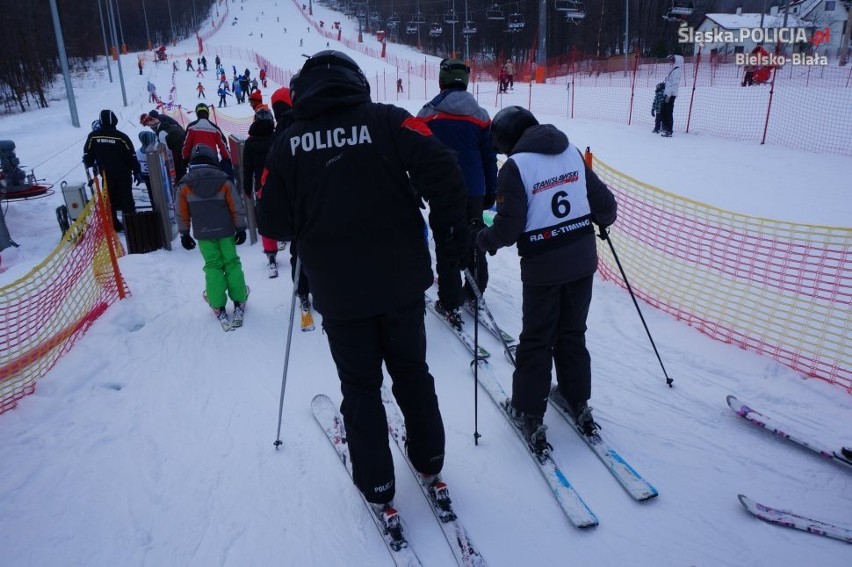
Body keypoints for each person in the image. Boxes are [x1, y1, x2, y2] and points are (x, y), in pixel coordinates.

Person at [257, 51, 468, 529]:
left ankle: (376, 484)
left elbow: (270, 219)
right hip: (401, 284)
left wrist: (309, 211)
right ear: (356, 81)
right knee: (412, 372)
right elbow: (444, 168)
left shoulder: (287, 143)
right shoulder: (389, 121)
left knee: (361, 388)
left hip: (341, 294)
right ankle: (430, 460)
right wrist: (453, 237)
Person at [474, 106, 617, 454]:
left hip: (543, 266)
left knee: (537, 339)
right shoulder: (570, 152)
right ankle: (575, 398)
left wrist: (482, 239)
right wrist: (598, 218)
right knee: (572, 332)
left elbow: (508, 227)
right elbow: (606, 205)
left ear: (508, 140)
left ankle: (527, 410)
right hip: (581, 260)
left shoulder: (516, 166)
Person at [417, 58, 497, 330]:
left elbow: (417, 153)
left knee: (448, 242)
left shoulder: (427, 114)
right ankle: (475, 292)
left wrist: (418, 186)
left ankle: (450, 301)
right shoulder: (482, 116)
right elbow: (489, 158)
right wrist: (491, 190)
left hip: (443, 190)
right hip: (474, 190)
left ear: (442, 81)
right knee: (475, 239)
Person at [176, 144, 249, 323]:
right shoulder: (224, 181)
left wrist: (184, 233)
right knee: (231, 262)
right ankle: (239, 298)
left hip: (204, 233)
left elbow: (181, 211)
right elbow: (236, 206)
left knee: (213, 265)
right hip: (225, 231)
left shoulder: (185, 185)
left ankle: (217, 302)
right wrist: (240, 228)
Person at [269, 86, 312, 302]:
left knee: (299, 249)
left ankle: (302, 290)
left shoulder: (278, 132)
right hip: (313, 194)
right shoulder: (304, 122)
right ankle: (318, 287)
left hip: (292, 200)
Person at [83, 109, 142, 232]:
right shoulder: (122, 137)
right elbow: (131, 155)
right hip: (123, 173)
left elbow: (87, 152)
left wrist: (89, 161)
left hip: (106, 173)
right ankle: (131, 225)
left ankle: (114, 225)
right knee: (127, 199)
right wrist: (136, 170)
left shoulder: (93, 136)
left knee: (110, 200)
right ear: (115, 120)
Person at [242, 106, 279, 278]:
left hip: (261, 186)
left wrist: (247, 188)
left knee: (265, 219)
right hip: (280, 182)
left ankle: (271, 254)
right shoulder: (276, 136)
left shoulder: (250, 142)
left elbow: (247, 168)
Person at [142, 110, 188, 182]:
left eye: (148, 126)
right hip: (182, 141)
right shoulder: (163, 122)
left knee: (178, 166)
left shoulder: (161, 129)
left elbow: (166, 150)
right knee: (181, 166)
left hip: (178, 146)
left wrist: (167, 163)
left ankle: (180, 183)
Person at [182, 103, 231, 167]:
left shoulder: (191, 127)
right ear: (207, 113)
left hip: (195, 160)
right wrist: (227, 158)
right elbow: (223, 145)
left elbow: (186, 145)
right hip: (212, 161)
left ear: (197, 113)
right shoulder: (215, 128)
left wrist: (185, 159)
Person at [660, 54, 682, 137]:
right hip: (667, 93)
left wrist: (669, 95)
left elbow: (675, 84)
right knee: (663, 111)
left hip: (671, 95)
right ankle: (665, 127)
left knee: (668, 112)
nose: (670, 61)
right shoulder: (672, 69)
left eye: (672, 60)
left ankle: (669, 131)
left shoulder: (677, 71)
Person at [136, 130, 157, 203]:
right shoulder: (154, 152)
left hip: (145, 176)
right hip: (156, 176)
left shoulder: (138, 152)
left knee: (151, 193)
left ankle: (154, 207)